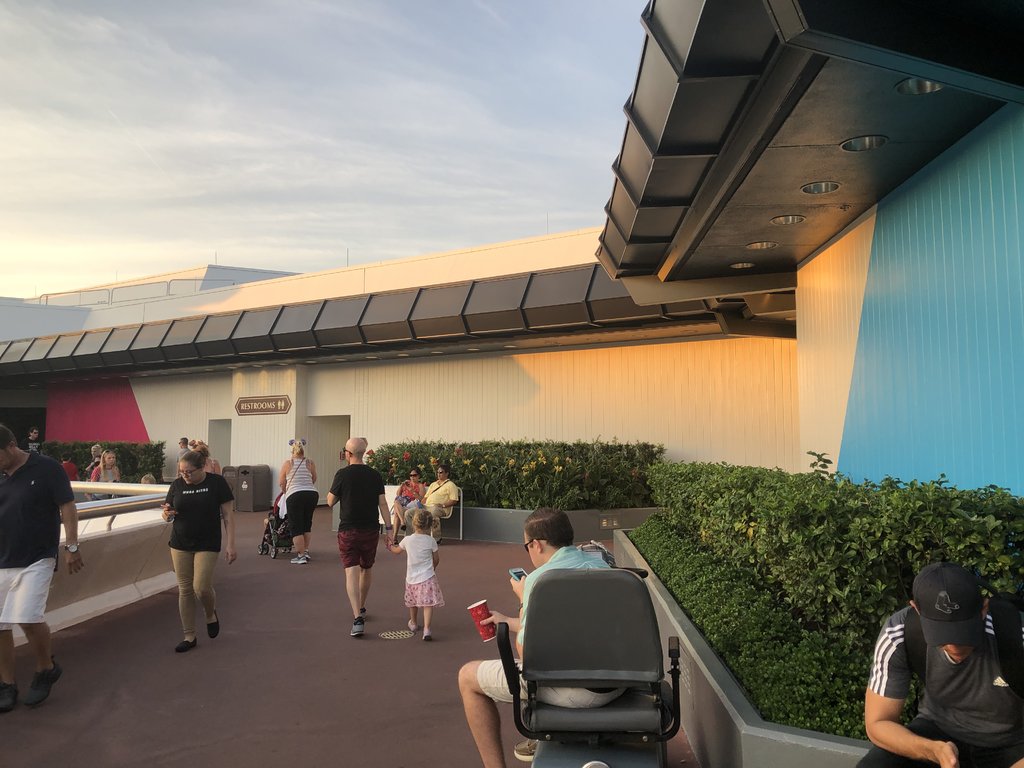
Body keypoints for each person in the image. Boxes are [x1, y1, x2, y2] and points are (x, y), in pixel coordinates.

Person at [457, 507, 621, 768]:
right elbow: (575, 627)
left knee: (467, 677)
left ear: (537, 544)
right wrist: (508, 622)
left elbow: (528, 657)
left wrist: (524, 600)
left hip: (577, 690)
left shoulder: (540, 580)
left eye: (527, 547)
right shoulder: (603, 566)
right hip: (619, 682)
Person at [859, 562, 1024, 768]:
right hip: (937, 733)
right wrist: (931, 750)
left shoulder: (1016, 635)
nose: (953, 645)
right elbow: (878, 723)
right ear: (917, 610)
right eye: (941, 634)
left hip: (1012, 743)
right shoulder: (898, 632)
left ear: (983, 609)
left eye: (964, 632)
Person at [0, 423, 84, 712]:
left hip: (38, 557)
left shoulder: (47, 468)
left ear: (11, 446)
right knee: (0, 625)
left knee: (28, 617)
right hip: (3, 558)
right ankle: (7, 684)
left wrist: (71, 546)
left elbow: (67, 506)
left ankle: (45, 667)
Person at [161, 449, 236, 653]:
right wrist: (167, 514)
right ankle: (189, 635)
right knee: (185, 589)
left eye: (189, 472)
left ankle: (210, 613)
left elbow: (228, 516)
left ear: (202, 467)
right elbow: (167, 511)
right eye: (181, 472)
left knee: (201, 587)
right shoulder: (177, 485)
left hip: (207, 541)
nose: (185, 476)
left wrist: (231, 544)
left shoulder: (216, 483)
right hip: (180, 541)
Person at [326, 437, 390, 638]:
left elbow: (330, 501)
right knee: (366, 568)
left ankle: (357, 618)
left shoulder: (342, 474)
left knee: (351, 572)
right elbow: (383, 503)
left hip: (348, 529)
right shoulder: (374, 475)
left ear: (348, 454)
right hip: (370, 529)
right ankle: (362, 606)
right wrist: (389, 529)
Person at [387, 507, 443, 640]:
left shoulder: (407, 540)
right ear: (429, 525)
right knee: (428, 604)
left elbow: (396, 551)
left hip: (412, 578)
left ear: (414, 523)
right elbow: (436, 559)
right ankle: (427, 629)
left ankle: (413, 622)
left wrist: (389, 545)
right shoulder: (431, 541)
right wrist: (433, 568)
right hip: (428, 577)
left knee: (412, 602)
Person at [279, 438, 318, 565]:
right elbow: (314, 478)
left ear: (292, 451)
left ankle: (300, 556)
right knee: (307, 524)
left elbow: (281, 482)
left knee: (296, 526)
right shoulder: (310, 463)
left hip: (295, 495)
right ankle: (305, 551)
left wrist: (285, 492)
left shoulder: (288, 463)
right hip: (311, 494)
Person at [403, 463, 459, 540]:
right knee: (408, 513)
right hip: (426, 506)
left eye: (441, 472)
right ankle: (412, 536)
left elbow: (454, 500)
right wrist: (420, 505)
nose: (438, 474)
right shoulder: (433, 484)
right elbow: (425, 498)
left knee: (433, 511)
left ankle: (436, 538)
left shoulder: (451, 485)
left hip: (440, 508)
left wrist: (442, 505)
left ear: (447, 473)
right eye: (437, 472)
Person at [390, 468, 426, 533]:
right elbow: (398, 494)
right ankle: (402, 522)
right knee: (396, 504)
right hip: (402, 504)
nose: (412, 477)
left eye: (414, 475)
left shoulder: (420, 486)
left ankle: (395, 535)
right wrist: (401, 486)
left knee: (396, 512)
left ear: (418, 476)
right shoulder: (407, 483)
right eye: (411, 475)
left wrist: (412, 490)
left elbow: (421, 499)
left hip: (411, 504)